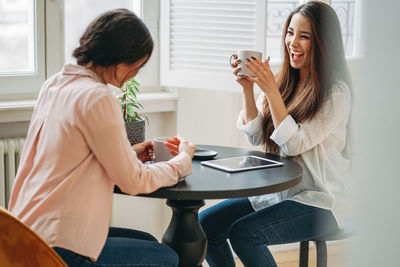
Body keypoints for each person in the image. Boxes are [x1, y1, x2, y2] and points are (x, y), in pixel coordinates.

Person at [8, 9, 196, 267]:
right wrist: (182, 161)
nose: (135, 74)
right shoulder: (97, 96)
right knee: (167, 257)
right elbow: (133, 181)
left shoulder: (54, 84)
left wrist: (130, 153)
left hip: (26, 235)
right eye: (137, 66)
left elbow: (70, 158)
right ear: (120, 59)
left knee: (148, 242)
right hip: (58, 248)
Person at [199, 1, 352, 266]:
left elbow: (294, 144)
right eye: (290, 32)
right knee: (204, 226)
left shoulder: (336, 93)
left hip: (319, 202)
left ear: (323, 42)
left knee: (245, 233)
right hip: (278, 194)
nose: (292, 42)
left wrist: (270, 91)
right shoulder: (284, 81)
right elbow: (256, 135)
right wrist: (247, 88)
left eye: (304, 36)